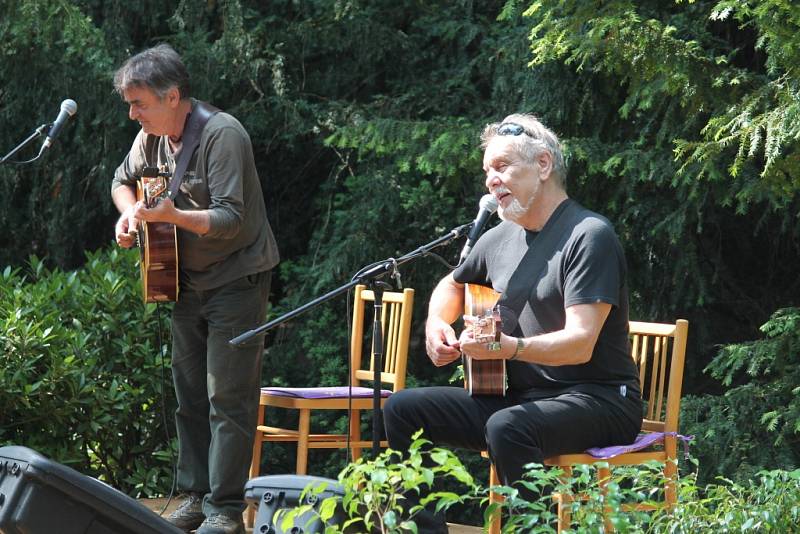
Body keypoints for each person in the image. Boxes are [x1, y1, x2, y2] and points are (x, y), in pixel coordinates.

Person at [383, 113, 642, 532]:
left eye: (502, 167)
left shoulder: (589, 234)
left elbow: (580, 343)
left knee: (508, 426)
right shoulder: (499, 236)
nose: (491, 181)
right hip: (522, 395)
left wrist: (513, 349)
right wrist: (435, 324)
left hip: (599, 398)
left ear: (543, 165)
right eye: (487, 171)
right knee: (402, 409)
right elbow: (451, 283)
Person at [111, 44, 279, 534]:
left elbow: (230, 218)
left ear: (174, 96)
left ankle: (225, 509)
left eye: (139, 103)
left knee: (228, 397)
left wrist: (172, 215)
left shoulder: (222, 134)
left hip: (236, 279)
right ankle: (193, 495)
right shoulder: (151, 137)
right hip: (181, 280)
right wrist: (129, 214)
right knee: (189, 395)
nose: (132, 113)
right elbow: (121, 181)